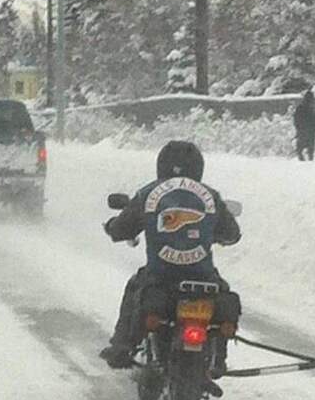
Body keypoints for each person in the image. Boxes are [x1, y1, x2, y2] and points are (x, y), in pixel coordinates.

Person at [100, 140, 242, 371]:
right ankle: (219, 357)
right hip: (203, 278)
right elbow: (232, 234)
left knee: (135, 288)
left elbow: (121, 229)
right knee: (222, 296)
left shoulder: (149, 194)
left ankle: (122, 347)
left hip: (160, 276)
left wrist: (112, 227)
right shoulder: (210, 196)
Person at [294, 88, 315, 161]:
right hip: (311, 131)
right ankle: (310, 161)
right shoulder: (314, 108)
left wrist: (298, 128)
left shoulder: (300, 107)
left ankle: (302, 160)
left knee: (299, 149)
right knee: (310, 149)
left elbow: (296, 119)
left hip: (302, 131)